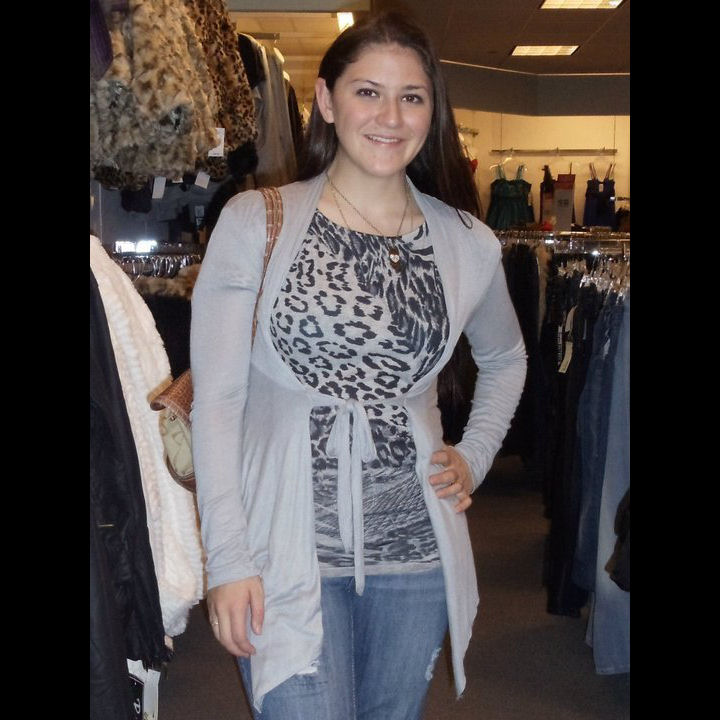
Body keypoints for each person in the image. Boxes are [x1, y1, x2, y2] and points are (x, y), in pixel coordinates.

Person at [190, 10, 527, 720]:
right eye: (368, 91)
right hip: (282, 551)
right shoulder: (256, 221)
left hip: (416, 556)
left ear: (432, 112)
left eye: (412, 97)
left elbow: (506, 356)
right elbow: (217, 403)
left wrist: (475, 455)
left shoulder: (467, 242)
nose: (390, 117)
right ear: (326, 99)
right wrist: (228, 559)